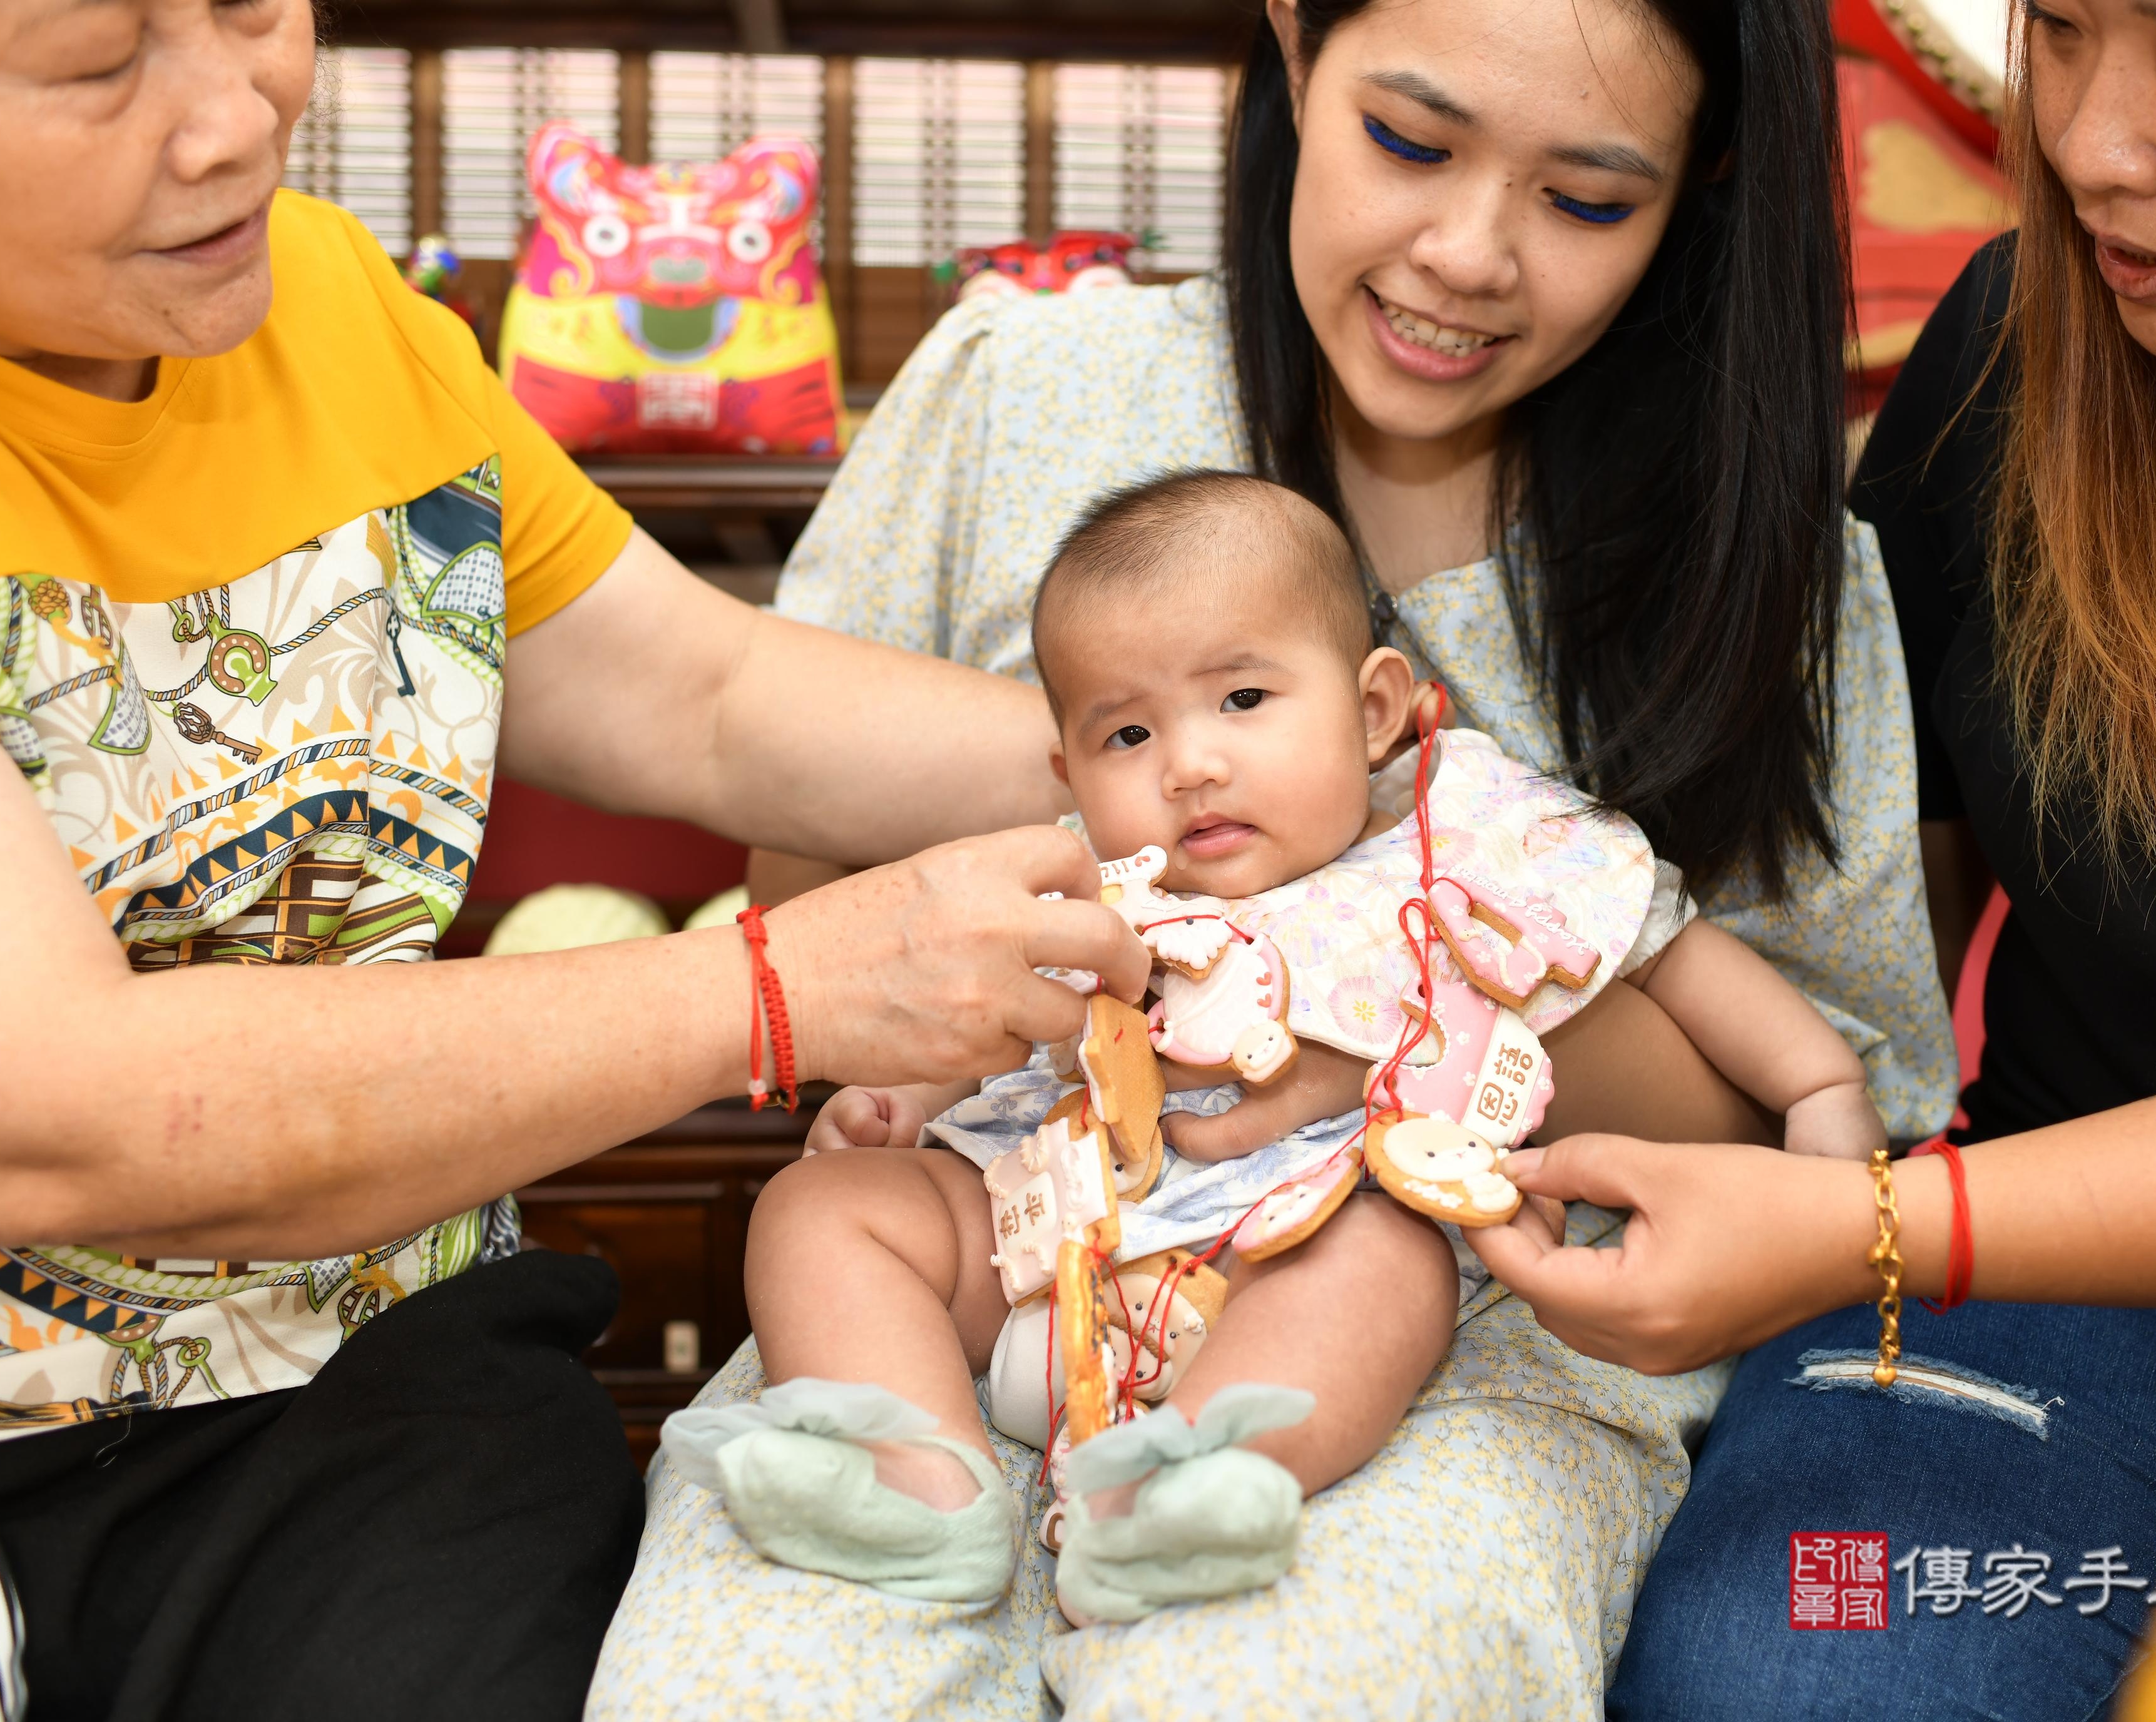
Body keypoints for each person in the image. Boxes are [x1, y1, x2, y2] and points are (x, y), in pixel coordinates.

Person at [592, 0, 1954, 1714]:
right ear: (1298, 45)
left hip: (1470, 1314)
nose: (1467, 254)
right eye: (1411, 140)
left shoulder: (1769, 571)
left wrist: (1381, 1039)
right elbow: (805, 909)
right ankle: (916, 1486)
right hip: (999, 1238)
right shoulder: (1031, 384)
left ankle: (1182, 1496)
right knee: (764, 1677)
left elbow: (1831, 1120)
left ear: (1703, 184)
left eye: (1588, 198)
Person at [0, 2, 1150, 1716]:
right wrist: (786, 989)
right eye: (94, 64)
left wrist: (1176, 775)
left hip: (370, 1377)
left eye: (250, 7)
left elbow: (712, 691)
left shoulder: (334, 306)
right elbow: (42, 1112)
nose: (235, 116)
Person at [1452, 1, 2156, 1716]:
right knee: (1786, 1671)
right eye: (2067, 35)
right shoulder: (2025, 338)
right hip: (2033, 1282)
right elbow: (1866, 922)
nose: (2091, 142)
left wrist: (1864, 1228)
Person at [673, 471, 1886, 1628]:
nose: (1191, 762)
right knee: (822, 1207)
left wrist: (1816, 1083)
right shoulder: (1075, 873)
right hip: (1047, 1244)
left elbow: (1652, 948)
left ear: (1371, 709)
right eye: (1128, 733)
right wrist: (896, 1095)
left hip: (1292, 1240)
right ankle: (914, 1474)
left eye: (1244, 700)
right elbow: (988, 999)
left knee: (1390, 1253)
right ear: (1070, 770)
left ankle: (1181, 1492)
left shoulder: (1456, 833)